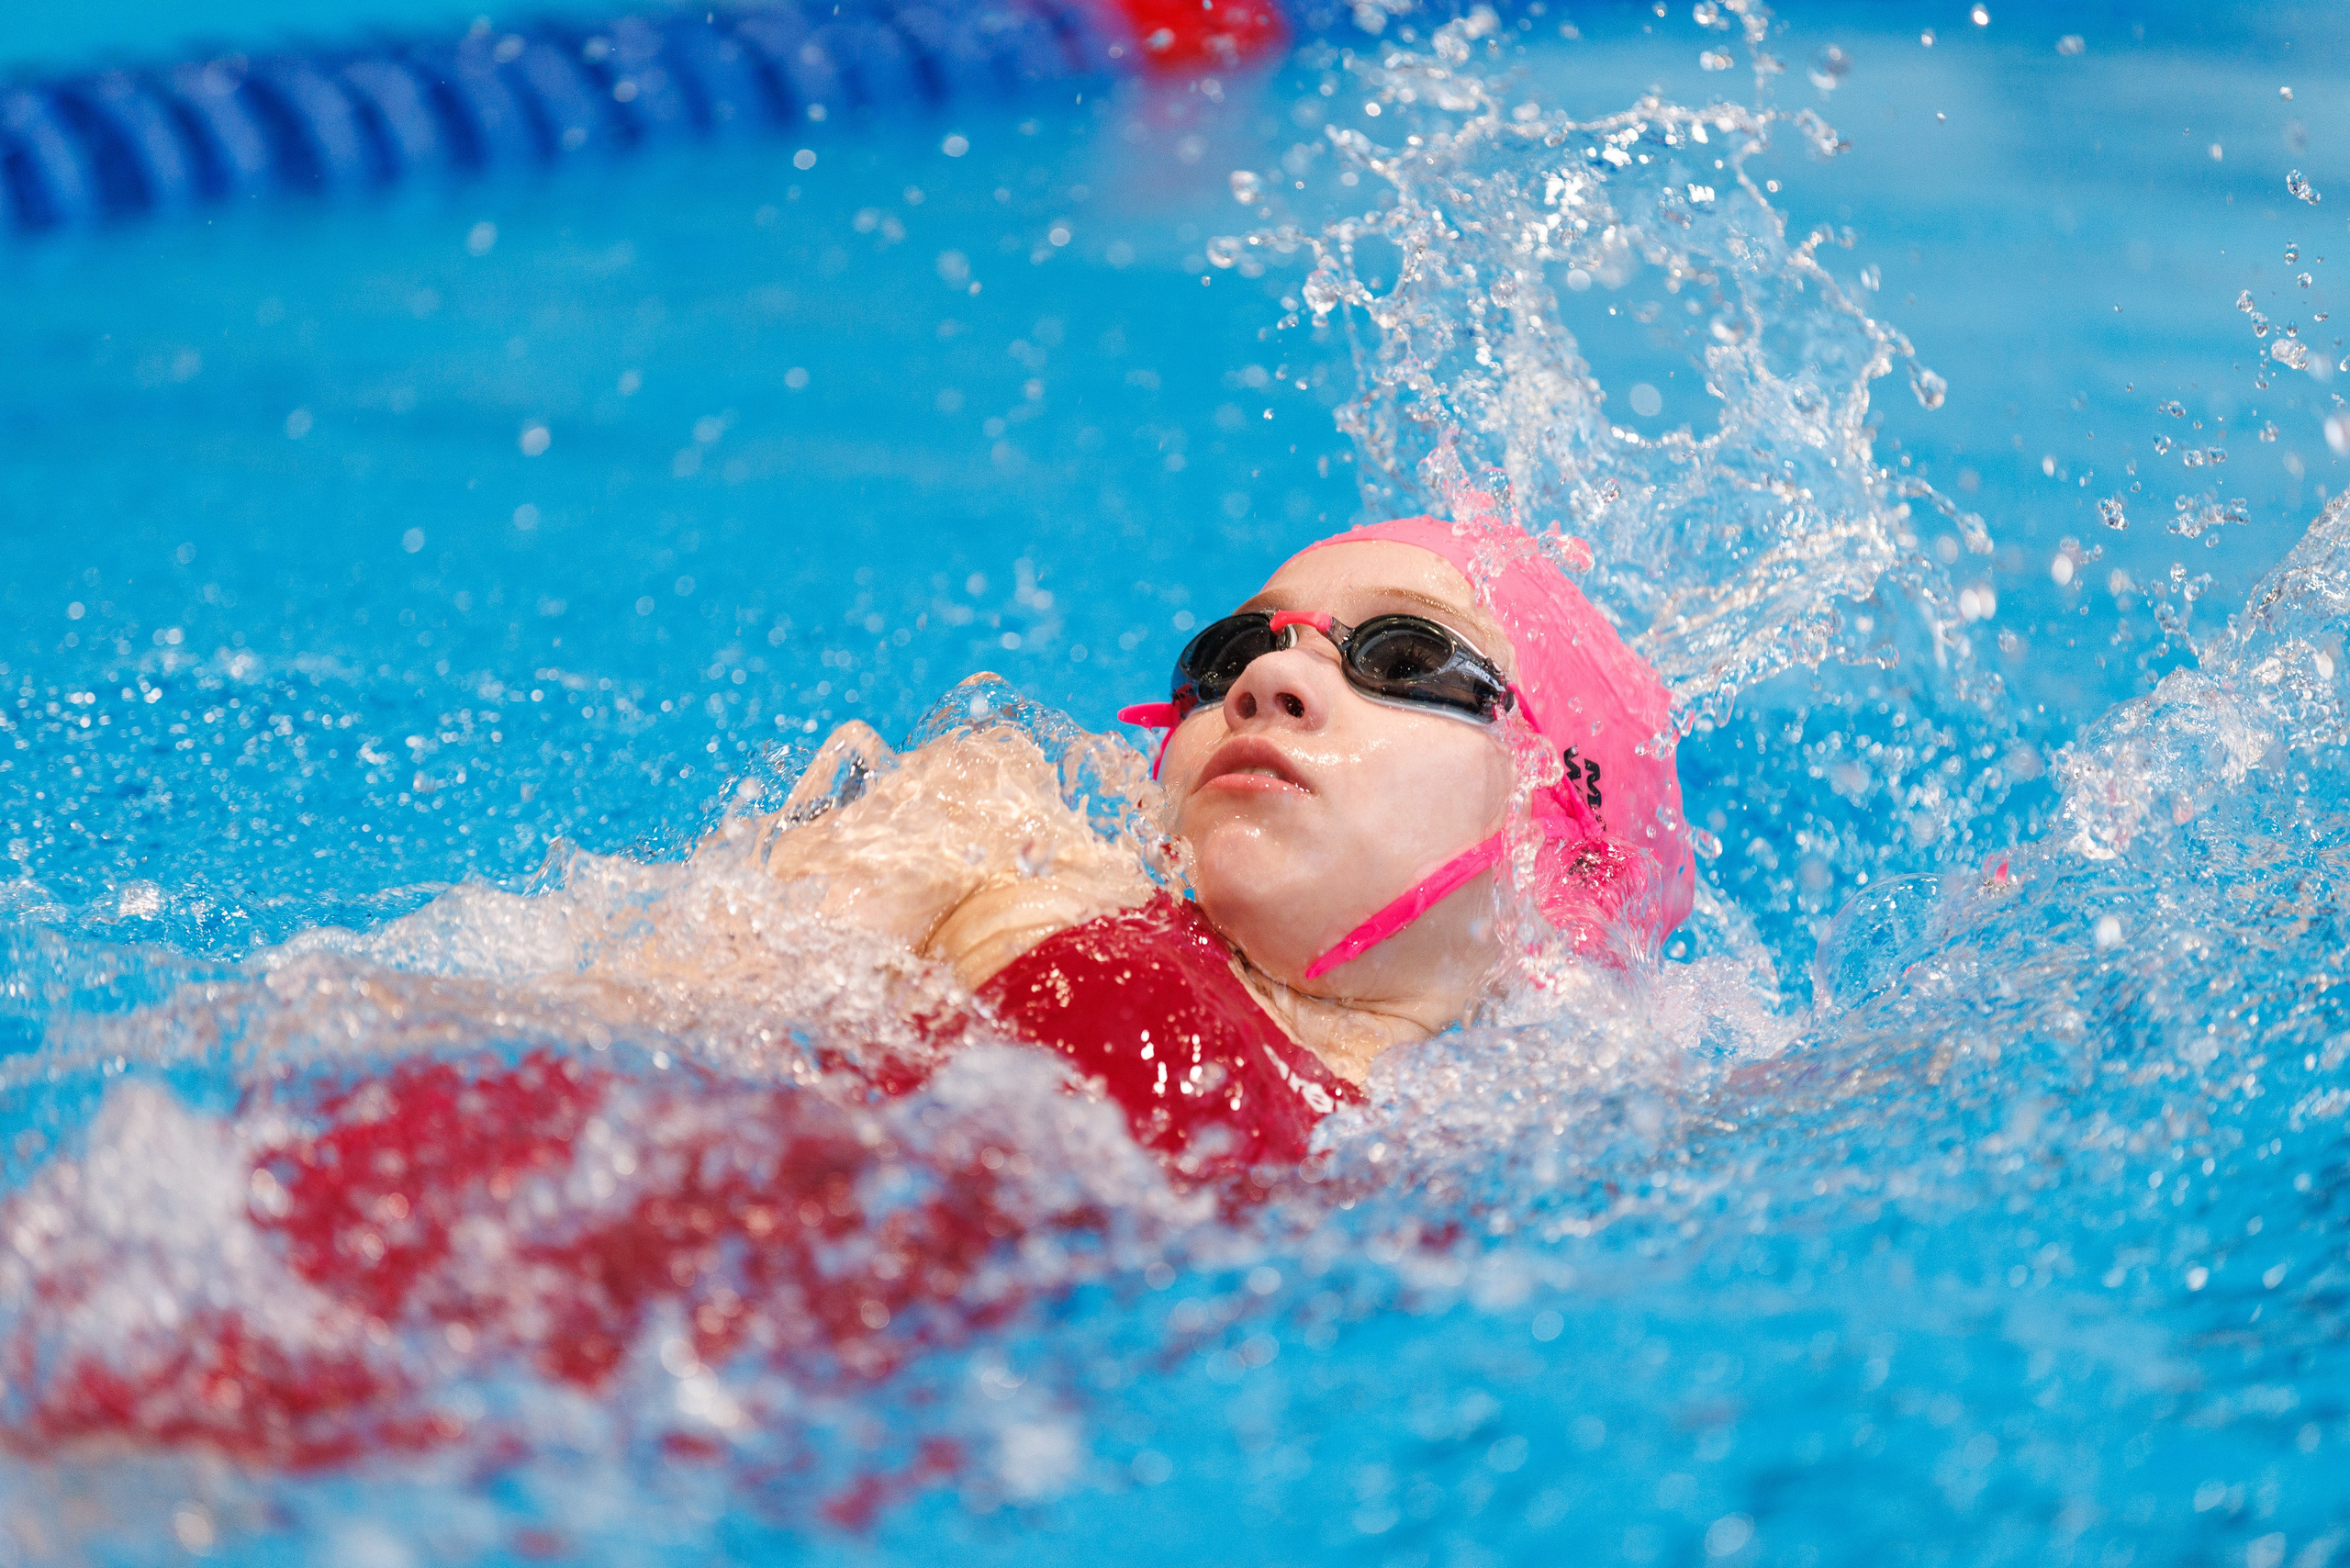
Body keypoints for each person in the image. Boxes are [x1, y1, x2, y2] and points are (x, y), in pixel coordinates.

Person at [757, 512, 1695, 1180]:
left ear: (1560, 854)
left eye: (1405, 658)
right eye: (1230, 652)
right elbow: (675, 1012)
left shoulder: (1495, 1173)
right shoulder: (1007, 850)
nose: (1268, 676)